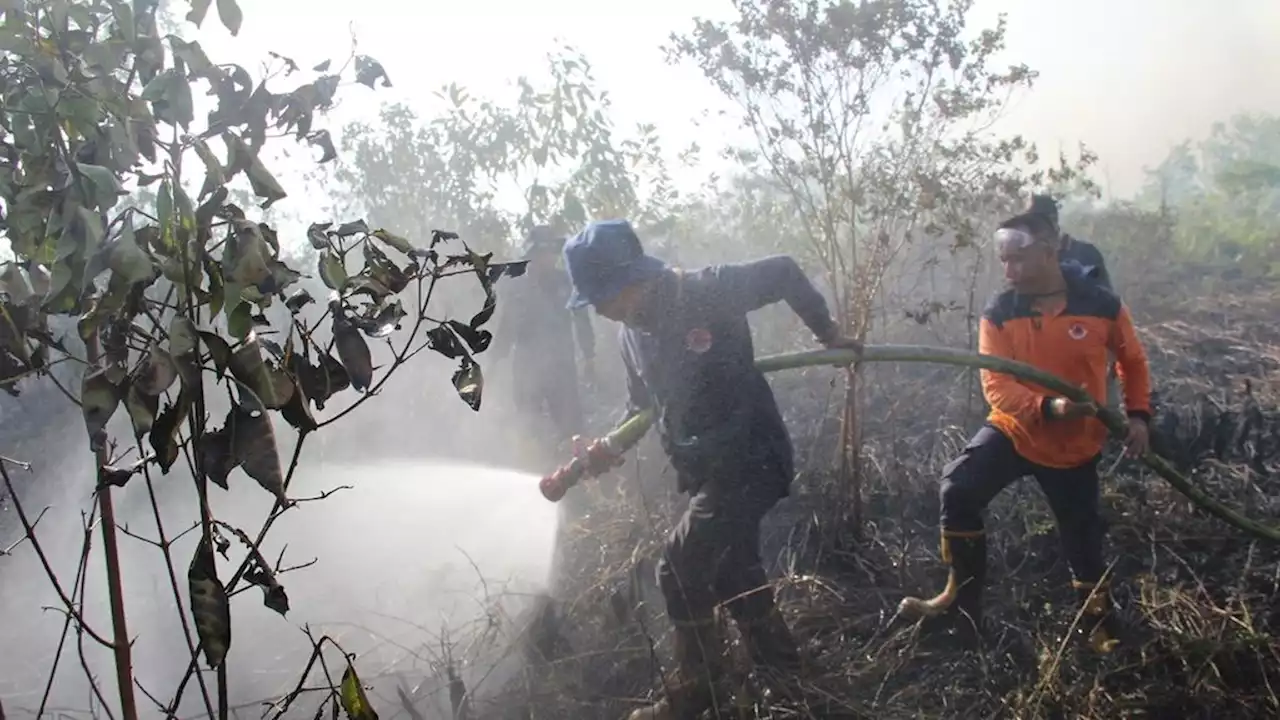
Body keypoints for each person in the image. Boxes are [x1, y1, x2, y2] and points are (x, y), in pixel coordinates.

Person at [561, 219, 859, 720]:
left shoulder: (707, 290)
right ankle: (786, 672)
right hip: (704, 472)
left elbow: (784, 272)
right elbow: (643, 407)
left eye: (605, 294)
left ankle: (700, 689)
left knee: (678, 568)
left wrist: (828, 333)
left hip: (752, 458)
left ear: (636, 277)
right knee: (732, 568)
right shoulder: (630, 337)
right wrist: (607, 449)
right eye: (594, 300)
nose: (602, 308)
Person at [899, 211, 1152, 654]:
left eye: (1017, 260)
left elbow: (1131, 362)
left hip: (1075, 447)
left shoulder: (1102, 305)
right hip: (1016, 430)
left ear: (1049, 253)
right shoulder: (1000, 312)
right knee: (958, 489)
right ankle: (961, 604)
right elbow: (997, 386)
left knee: (1082, 538)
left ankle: (1099, 625)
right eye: (1003, 261)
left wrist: (1138, 416)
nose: (1008, 271)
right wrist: (1047, 407)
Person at [492, 225, 596, 447]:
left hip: (562, 368)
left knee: (573, 429)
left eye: (552, 252)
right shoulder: (518, 288)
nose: (548, 258)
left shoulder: (566, 283)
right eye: (542, 252)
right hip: (526, 371)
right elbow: (506, 329)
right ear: (531, 254)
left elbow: (581, 319)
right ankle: (534, 466)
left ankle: (576, 473)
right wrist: (493, 363)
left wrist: (589, 356)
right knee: (529, 428)